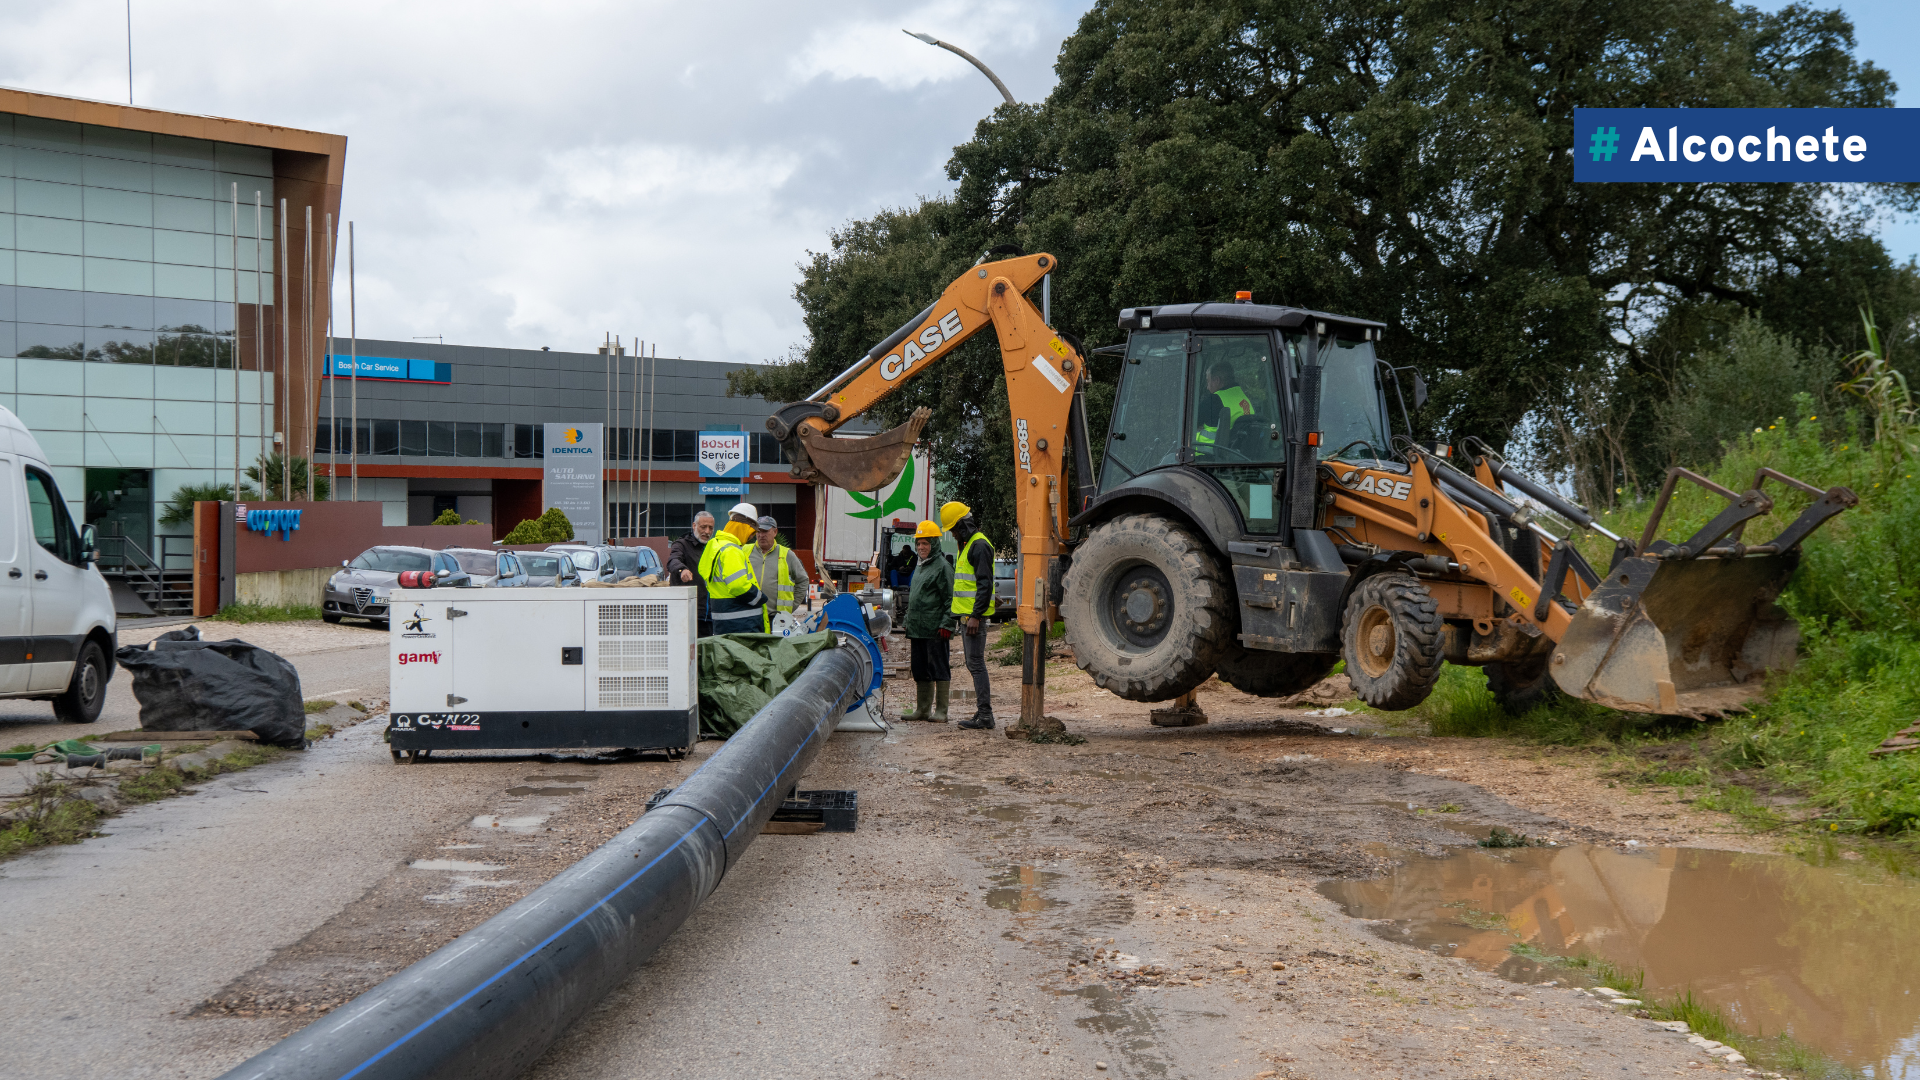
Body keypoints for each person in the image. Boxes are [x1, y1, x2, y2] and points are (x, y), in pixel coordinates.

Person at [942, 499, 996, 729]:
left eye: (954, 530)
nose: (953, 535)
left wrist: (976, 615)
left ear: (963, 525)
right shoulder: (968, 544)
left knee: (976, 664)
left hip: (974, 619)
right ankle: (983, 714)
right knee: (973, 663)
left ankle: (985, 715)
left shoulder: (978, 545)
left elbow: (985, 583)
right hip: (968, 618)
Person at [898, 520, 954, 722]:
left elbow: (950, 599)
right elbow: (915, 596)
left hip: (935, 629)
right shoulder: (920, 567)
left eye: (926, 543)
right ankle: (922, 709)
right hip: (918, 628)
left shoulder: (942, 567)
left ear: (935, 544)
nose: (921, 547)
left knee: (939, 668)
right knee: (920, 668)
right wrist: (907, 618)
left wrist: (946, 624)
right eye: (919, 543)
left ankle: (941, 712)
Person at [698, 502, 769, 636]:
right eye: (751, 532)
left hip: (724, 623)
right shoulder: (732, 550)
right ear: (743, 528)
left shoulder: (715, 545)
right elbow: (738, 585)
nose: (751, 537)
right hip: (742, 625)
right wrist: (760, 598)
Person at [748, 515, 809, 628]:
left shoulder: (787, 555)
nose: (761, 535)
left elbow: (803, 580)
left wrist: (791, 605)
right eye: (758, 531)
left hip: (777, 618)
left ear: (775, 532)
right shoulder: (745, 552)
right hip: (749, 616)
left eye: (765, 531)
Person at [668, 510, 716, 636]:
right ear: (694, 526)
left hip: (711, 615)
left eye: (711, 528)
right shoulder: (681, 545)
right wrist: (682, 570)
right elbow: (673, 560)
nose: (707, 531)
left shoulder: (714, 547)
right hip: (688, 613)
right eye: (703, 527)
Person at [1194, 360, 1253, 451]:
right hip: (1235, 455)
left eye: (1208, 381)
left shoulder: (1214, 400)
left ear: (1217, 380)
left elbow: (1189, 423)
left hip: (1206, 457)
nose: (1207, 387)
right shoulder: (1244, 399)